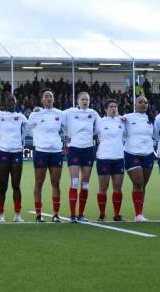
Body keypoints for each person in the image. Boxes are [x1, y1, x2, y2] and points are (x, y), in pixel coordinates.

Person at [0, 95, 28, 223]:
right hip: (3, 152)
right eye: (9, 100)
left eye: (13, 101)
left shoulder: (21, 117)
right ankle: (1, 215)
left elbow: (28, 128)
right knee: (3, 184)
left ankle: (17, 214)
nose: (11, 102)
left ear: (16, 103)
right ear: (5, 103)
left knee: (16, 185)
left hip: (16, 152)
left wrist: (21, 141)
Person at [27, 88, 65, 222]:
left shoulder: (60, 114)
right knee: (39, 182)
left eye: (51, 96)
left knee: (56, 183)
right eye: (46, 96)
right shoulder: (35, 114)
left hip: (55, 152)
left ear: (53, 99)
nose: (49, 98)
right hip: (41, 151)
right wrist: (37, 137)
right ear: (42, 100)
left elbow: (66, 129)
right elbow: (28, 128)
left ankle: (56, 214)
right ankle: (38, 214)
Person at [62, 92, 99, 222]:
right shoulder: (69, 112)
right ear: (77, 101)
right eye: (83, 99)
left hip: (88, 149)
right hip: (74, 149)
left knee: (85, 184)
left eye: (87, 100)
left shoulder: (94, 113)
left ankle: (81, 214)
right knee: (75, 182)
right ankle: (72, 215)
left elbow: (99, 127)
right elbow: (55, 117)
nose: (85, 102)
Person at [123, 95, 155, 222]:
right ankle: (138, 214)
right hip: (132, 154)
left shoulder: (152, 119)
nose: (143, 104)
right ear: (135, 104)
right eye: (140, 102)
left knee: (143, 186)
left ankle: (140, 213)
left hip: (148, 154)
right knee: (138, 182)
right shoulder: (128, 118)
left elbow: (158, 134)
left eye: (145, 102)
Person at [95, 100, 126, 222]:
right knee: (103, 187)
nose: (114, 109)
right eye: (111, 107)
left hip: (118, 157)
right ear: (105, 109)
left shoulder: (122, 121)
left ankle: (116, 214)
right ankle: (102, 214)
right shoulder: (99, 122)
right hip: (103, 158)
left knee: (117, 187)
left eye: (115, 106)